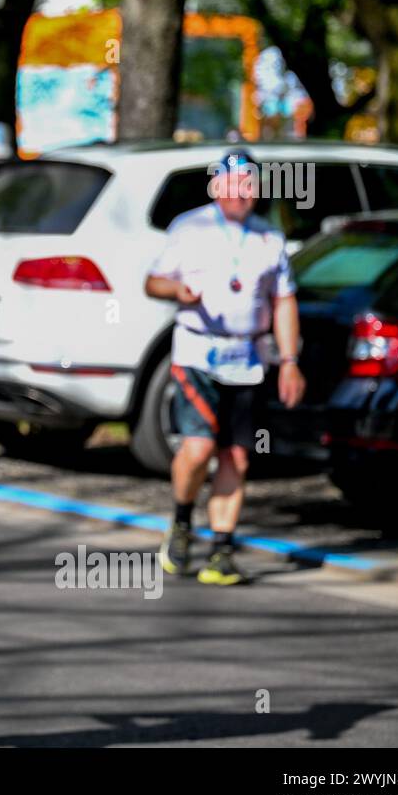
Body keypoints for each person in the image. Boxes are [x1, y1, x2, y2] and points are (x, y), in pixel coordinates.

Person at [144, 149, 305, 585]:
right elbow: (152, 281)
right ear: (217, 188)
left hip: (249, 358)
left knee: (237, 455)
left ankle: (221, 549)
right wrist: (178, 290)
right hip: (198, 353)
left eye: (248, 185)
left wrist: (289, 361)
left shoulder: (270, 240)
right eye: (232, 185)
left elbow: (283, 301)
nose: (241, 194)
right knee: (197, 449)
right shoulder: (189, 227)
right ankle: (181, 520)